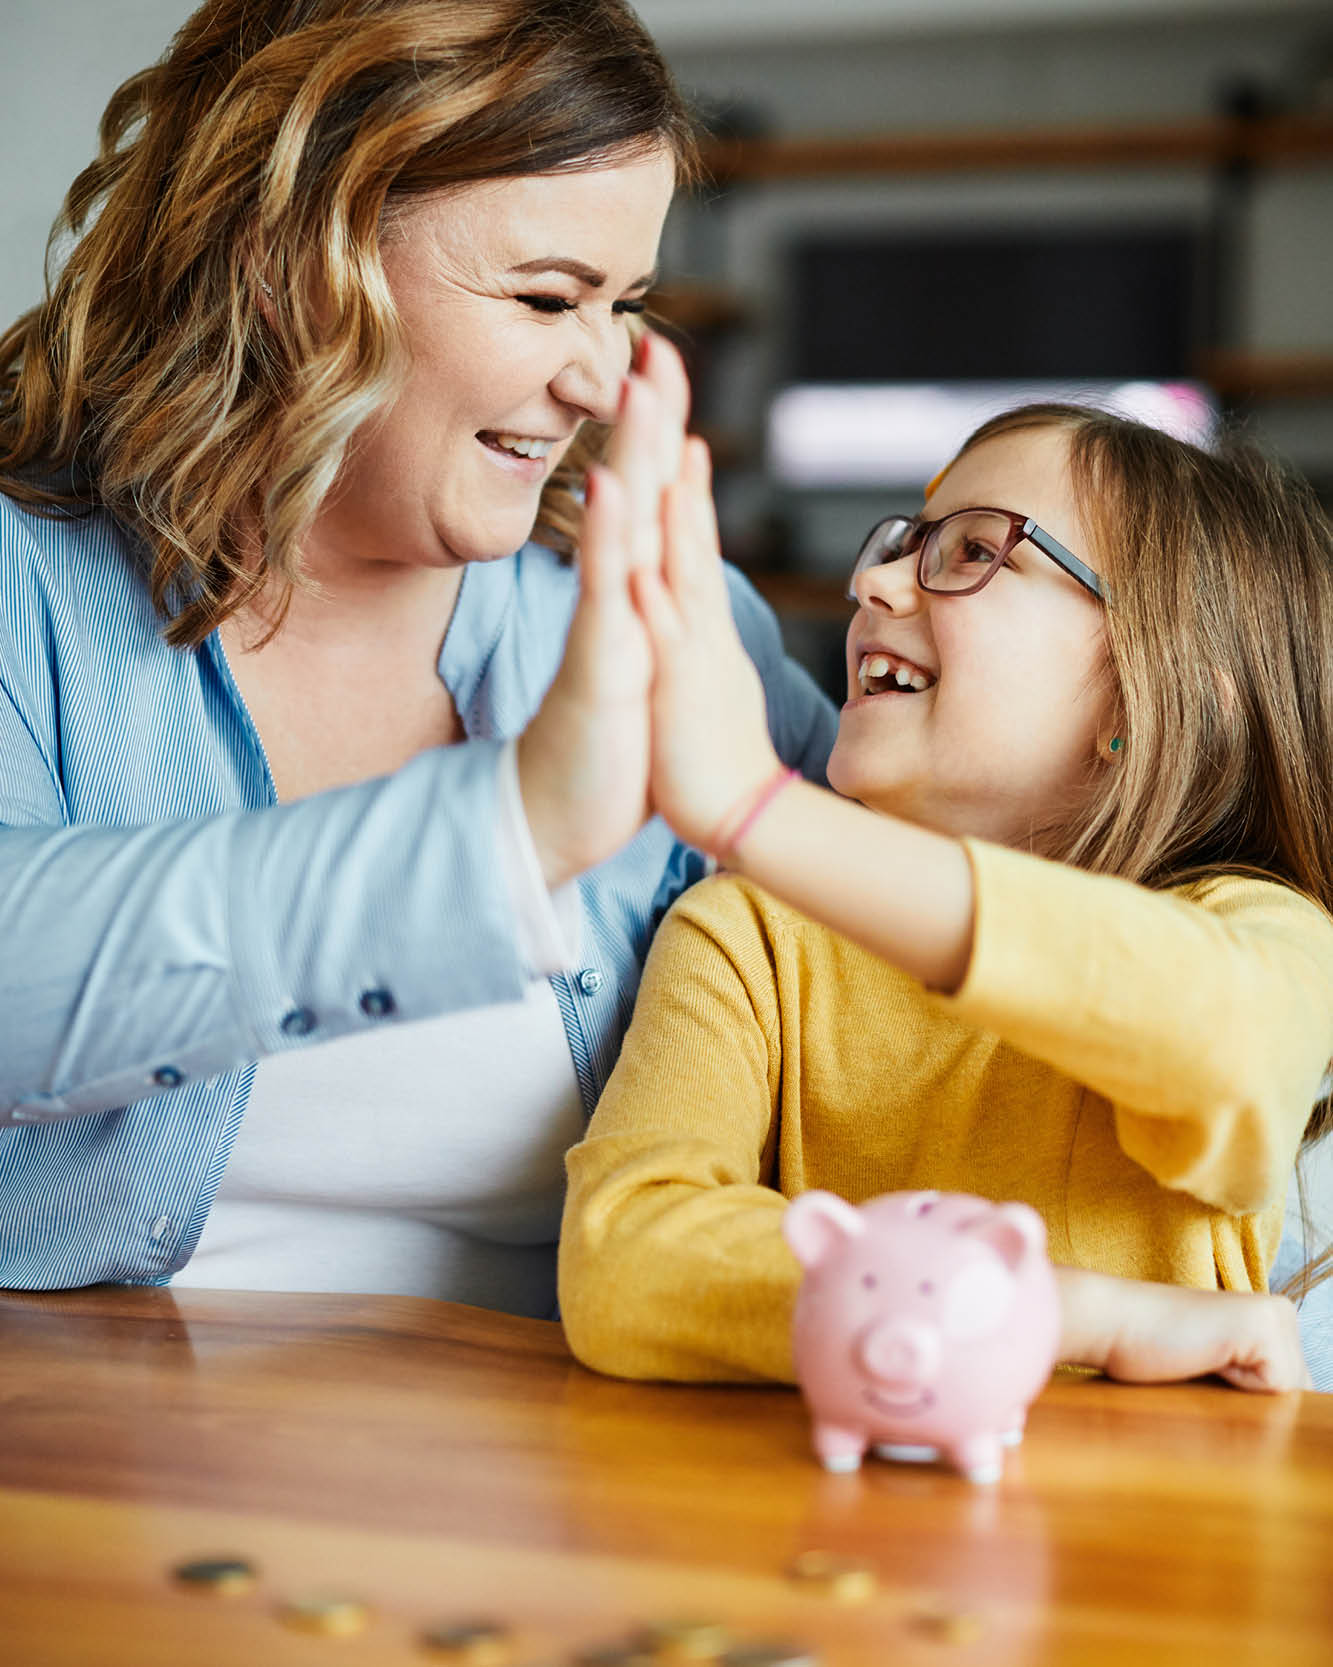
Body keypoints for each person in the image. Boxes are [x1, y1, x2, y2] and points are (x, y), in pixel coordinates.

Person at [0, 0, 837, 1311]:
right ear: (288, 265)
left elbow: (929, 932)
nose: (604, 378)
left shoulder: (655, 608)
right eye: (548, 297)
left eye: (622, 304)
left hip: (566, 1492)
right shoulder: (23, 583)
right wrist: (508, 827)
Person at [558, 384, 1333, 1392]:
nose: (871, 582)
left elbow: (1225, 1042)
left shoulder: (1256, 929)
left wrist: (758, 806)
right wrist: (1057, 1311)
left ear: (1150, 693)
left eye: (974, 551)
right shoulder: (752, 927)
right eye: (900, 542)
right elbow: (627, 1254)